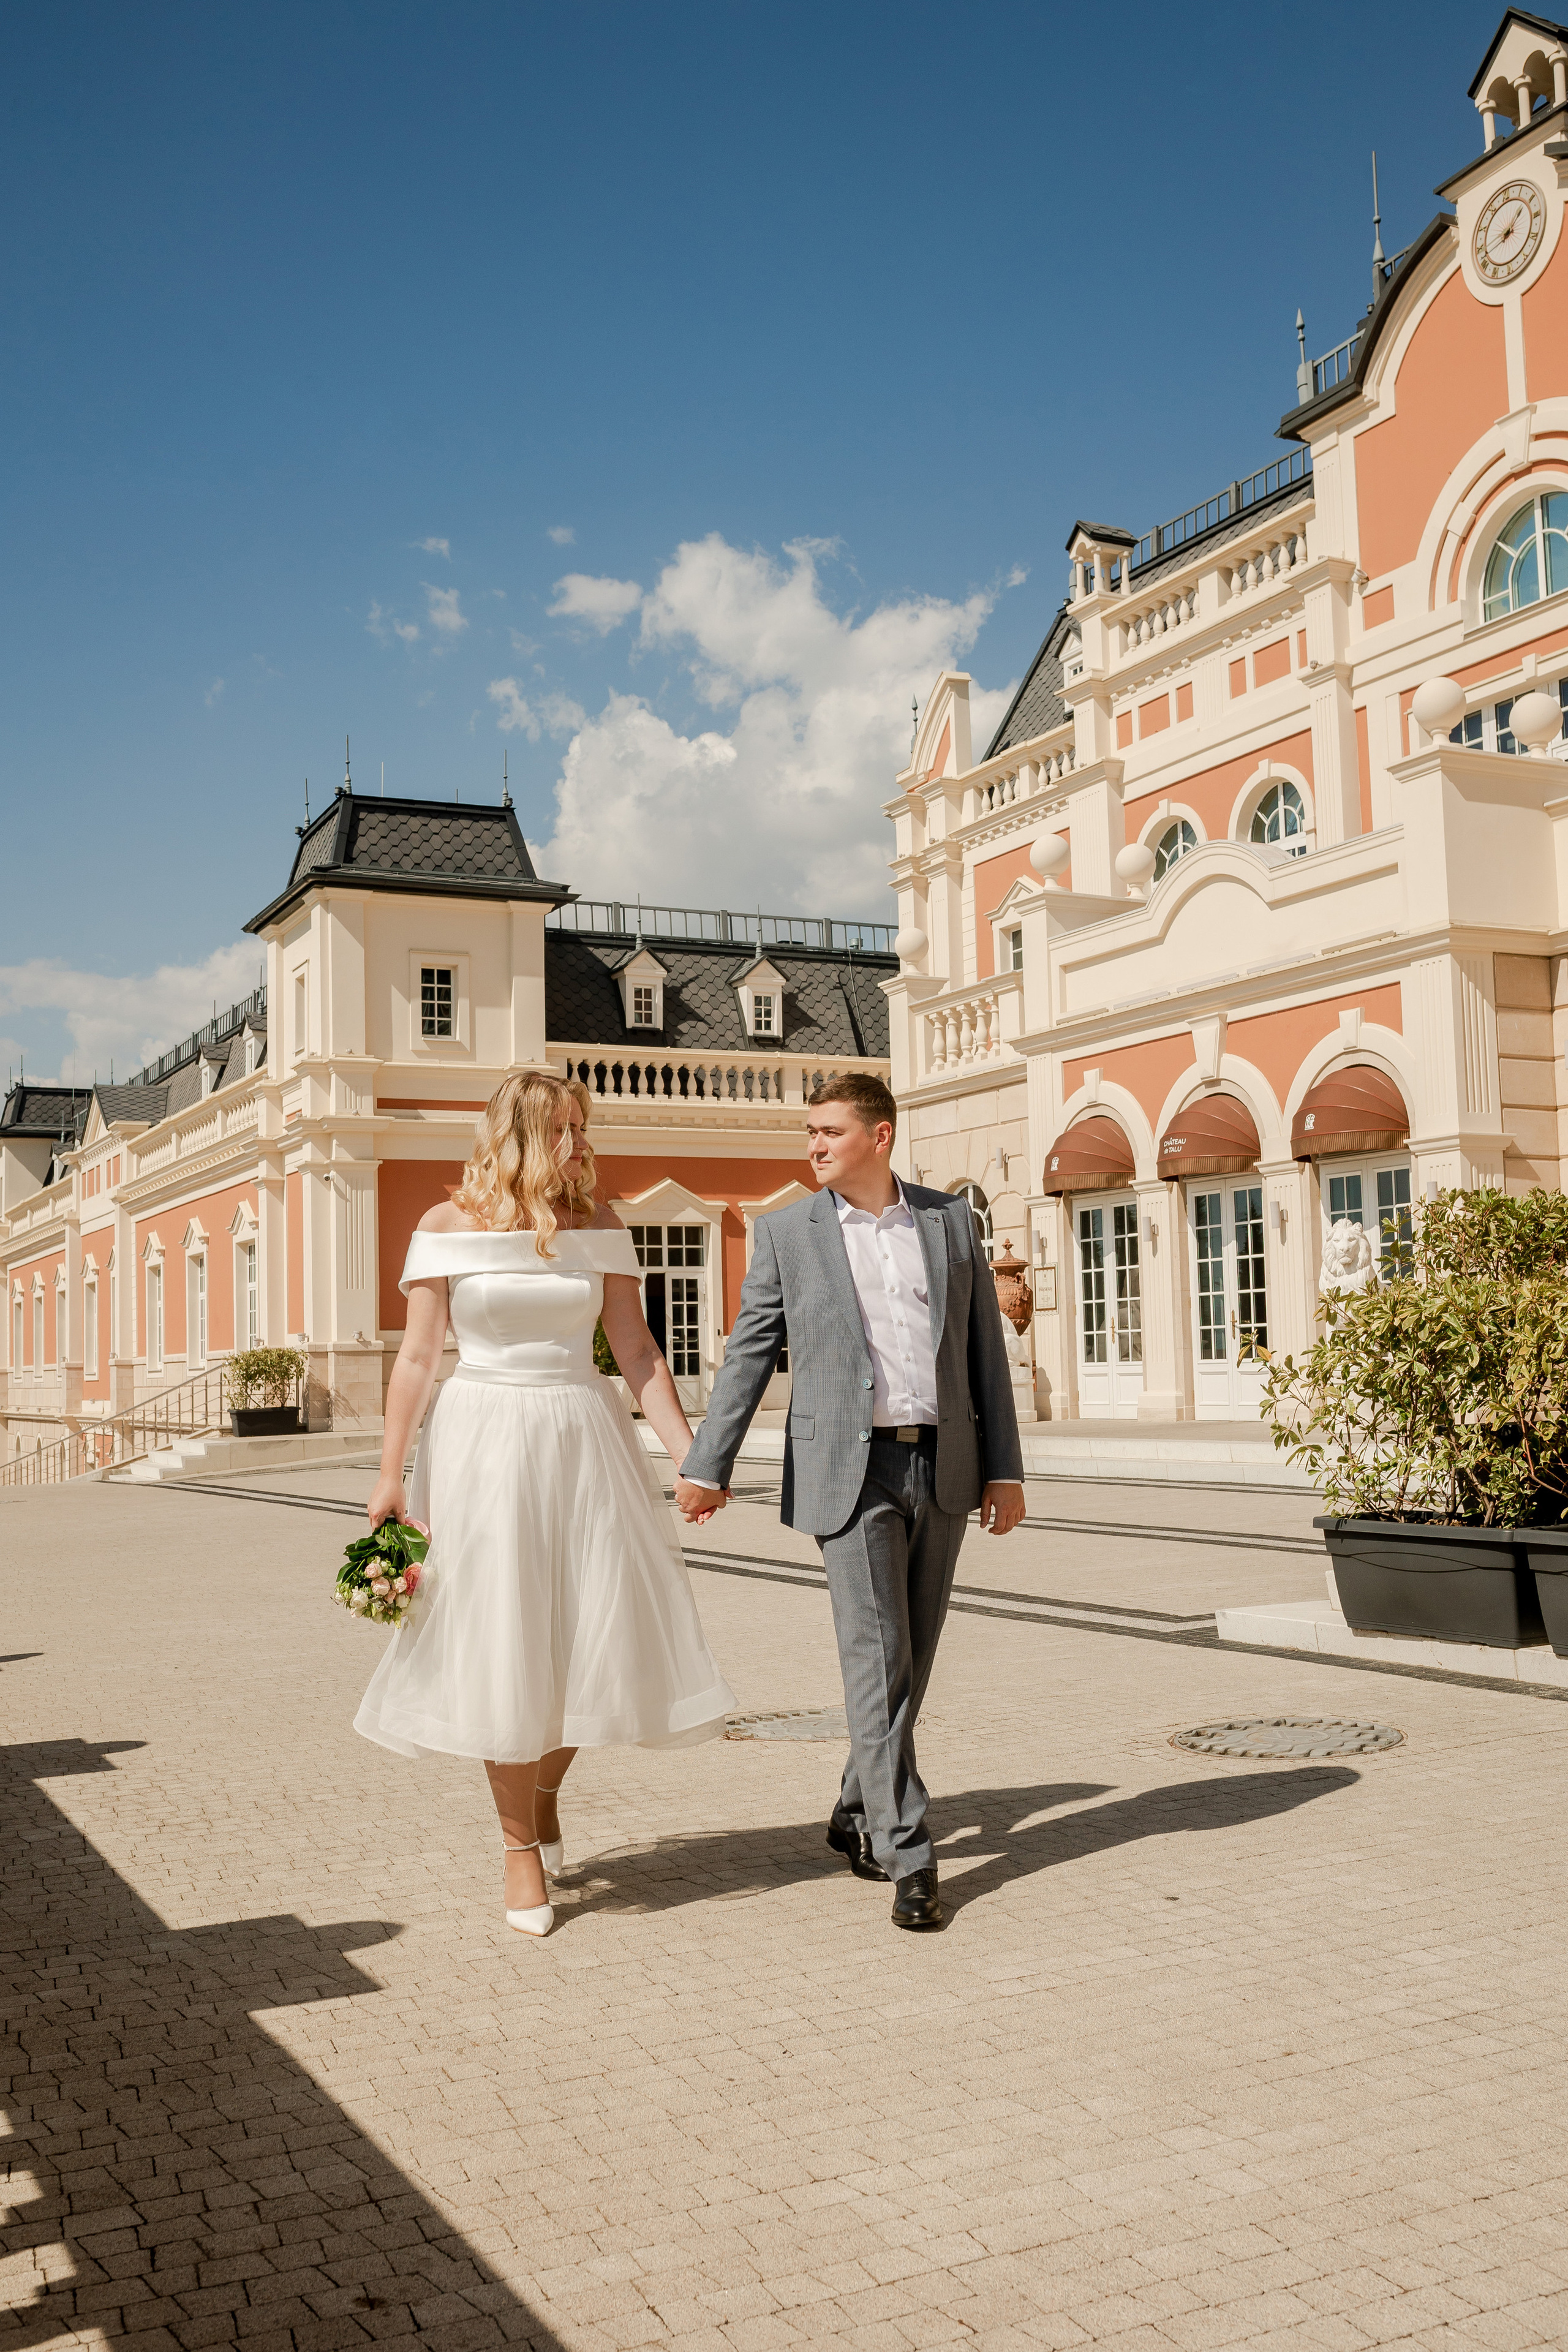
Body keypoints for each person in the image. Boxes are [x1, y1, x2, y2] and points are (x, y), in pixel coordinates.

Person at [355, 1071, 735, 1940]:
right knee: (504, 1634)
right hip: (483, 1439)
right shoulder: (445, 1227)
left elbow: (637, 1350)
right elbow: (417, 1359)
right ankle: (517, 1844)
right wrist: (389, 1475)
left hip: (583, 1433)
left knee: (588, 1631)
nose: (581, 1143)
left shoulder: (601, 1225)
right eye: (565, 1128)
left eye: (581, 1126)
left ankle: (545, 1792)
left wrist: (693, 1457)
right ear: (522, 1134)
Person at [677, 1073, 1024, 1931]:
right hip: (848, 1473)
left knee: (913, 1661)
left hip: (942, 1464)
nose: (815, 1146)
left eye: (830, 1131)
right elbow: (749, 1353)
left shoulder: (948, 1222)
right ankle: (908, 1850)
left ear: (880, 1136)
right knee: (877, 1658)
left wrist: (1005, 1470)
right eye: (810, 1132)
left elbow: (983, 1350)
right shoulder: (786, 1233)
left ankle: (855, 1808)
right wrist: (708, 1462)